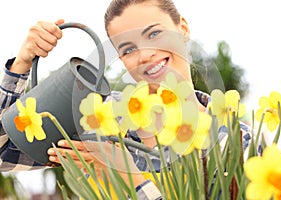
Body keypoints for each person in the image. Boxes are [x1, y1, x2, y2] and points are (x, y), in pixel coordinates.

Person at [0, 0, 251, 199]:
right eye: (128, 49)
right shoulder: (101, 117)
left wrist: (130, 180)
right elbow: (4, 154)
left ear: (182, 28)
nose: (144, 55)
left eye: (154, 34)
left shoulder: (238, 141)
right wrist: (21, 64)